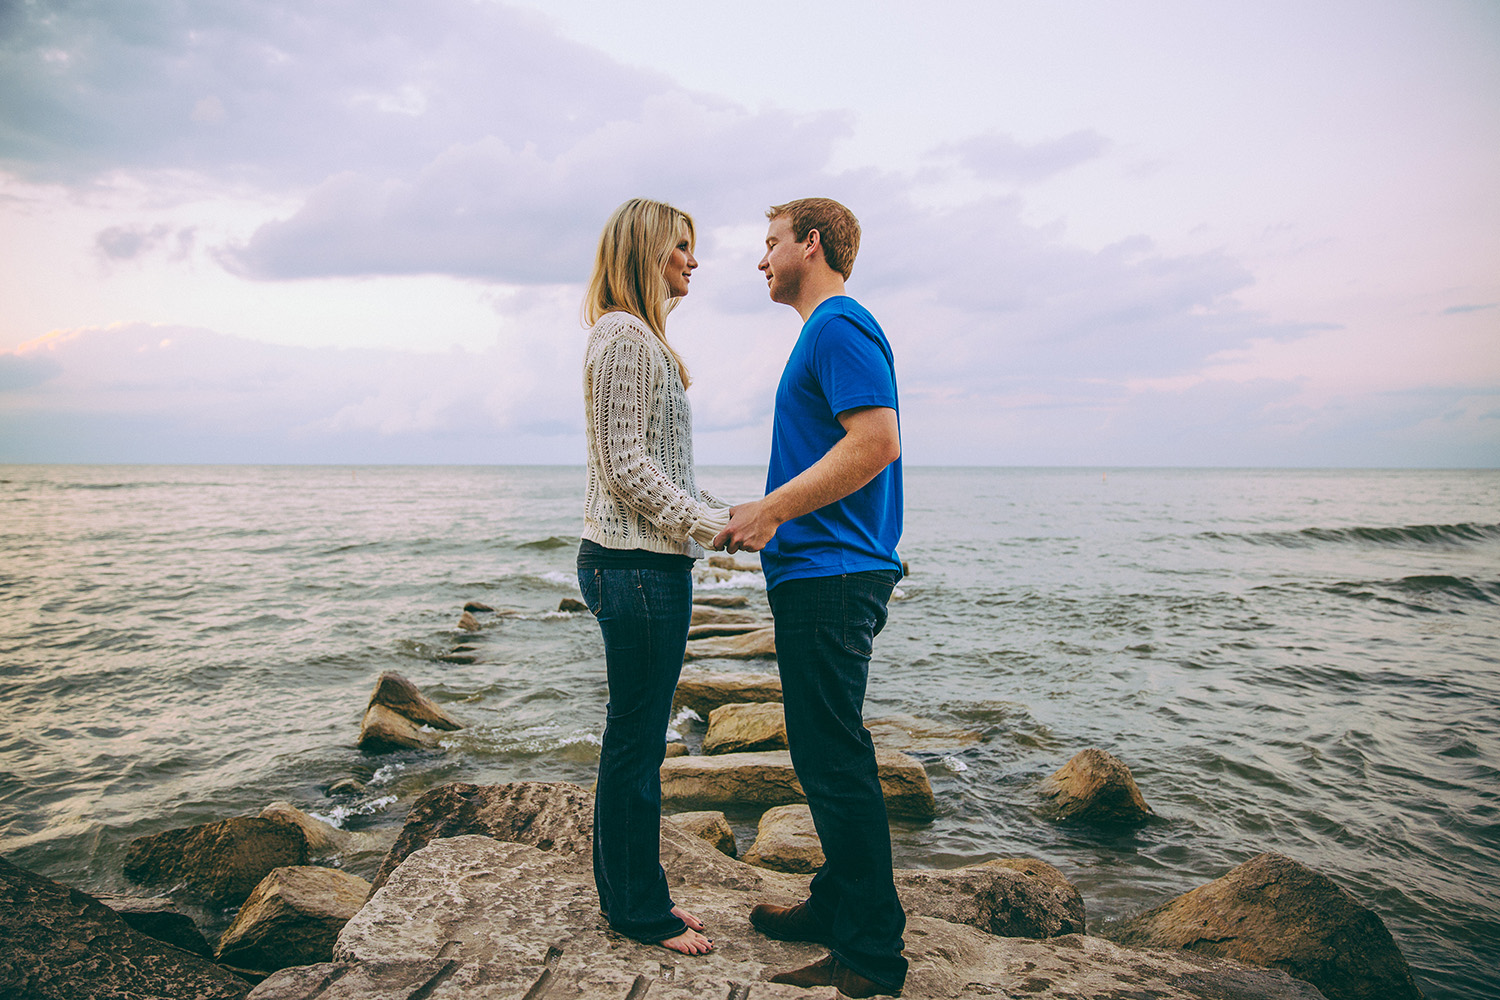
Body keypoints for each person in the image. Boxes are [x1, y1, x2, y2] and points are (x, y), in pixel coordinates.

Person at [714, 198, 907, 998]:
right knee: (825, 752)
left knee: (834, 763)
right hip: (818, 571)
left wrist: (773, 508)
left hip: (831, 570)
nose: (761, 260)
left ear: (812, 243)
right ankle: (837, 903)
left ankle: (871, 956)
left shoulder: (837, 325)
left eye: (771, 243)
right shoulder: (821, 331)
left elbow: (877, 441)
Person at [577, 197, 729, 956]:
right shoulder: (624, 336)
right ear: (646, 251)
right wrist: (712, 526)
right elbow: (627, 469)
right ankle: (638, 912)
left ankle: (637, 894)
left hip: (646, 565)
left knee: (635, 740)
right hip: (635, 569)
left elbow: (661, 470)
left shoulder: (636, 337)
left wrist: (731, 516)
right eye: (681, 248)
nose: (693, 261)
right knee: (636, 743)